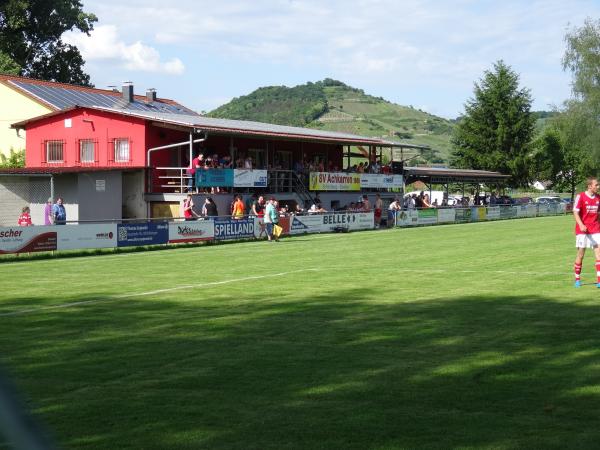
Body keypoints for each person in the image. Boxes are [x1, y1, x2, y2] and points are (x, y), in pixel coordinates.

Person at [573, 176, 600, 288]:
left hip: (595, 229)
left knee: (599, 255)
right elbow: (575, 211)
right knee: (581, 255)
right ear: (589, 186)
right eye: (596, 185)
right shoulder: (581, 196)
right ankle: (577, 279)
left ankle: (599, 281)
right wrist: (581, 224)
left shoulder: (599, 198)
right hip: (582, 230)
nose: (598, 187)